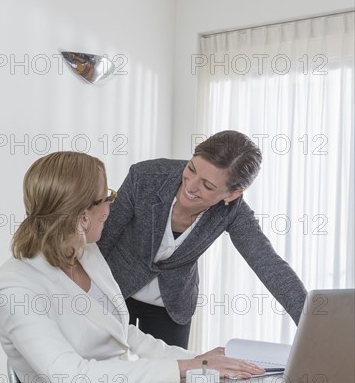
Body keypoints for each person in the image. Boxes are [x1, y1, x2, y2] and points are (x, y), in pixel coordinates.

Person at [0, 151, 265, 383]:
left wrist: (196, 360)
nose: (112, 205)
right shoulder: (15, 287)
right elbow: (72, 378)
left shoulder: (87, 253)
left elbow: (122, 333)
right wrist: (181, 369)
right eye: (106, 197)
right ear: (83, 216)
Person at [98, 130, 307, 349]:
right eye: (191, 169)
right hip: (115, 290)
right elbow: (104, 237)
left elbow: (269, 265)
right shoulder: (145, 177)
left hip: (171, 304)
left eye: (207, 186)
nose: (190, 186)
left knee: (171, 377)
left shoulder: (233, 212)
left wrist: (312, 324)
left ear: (232, 194)